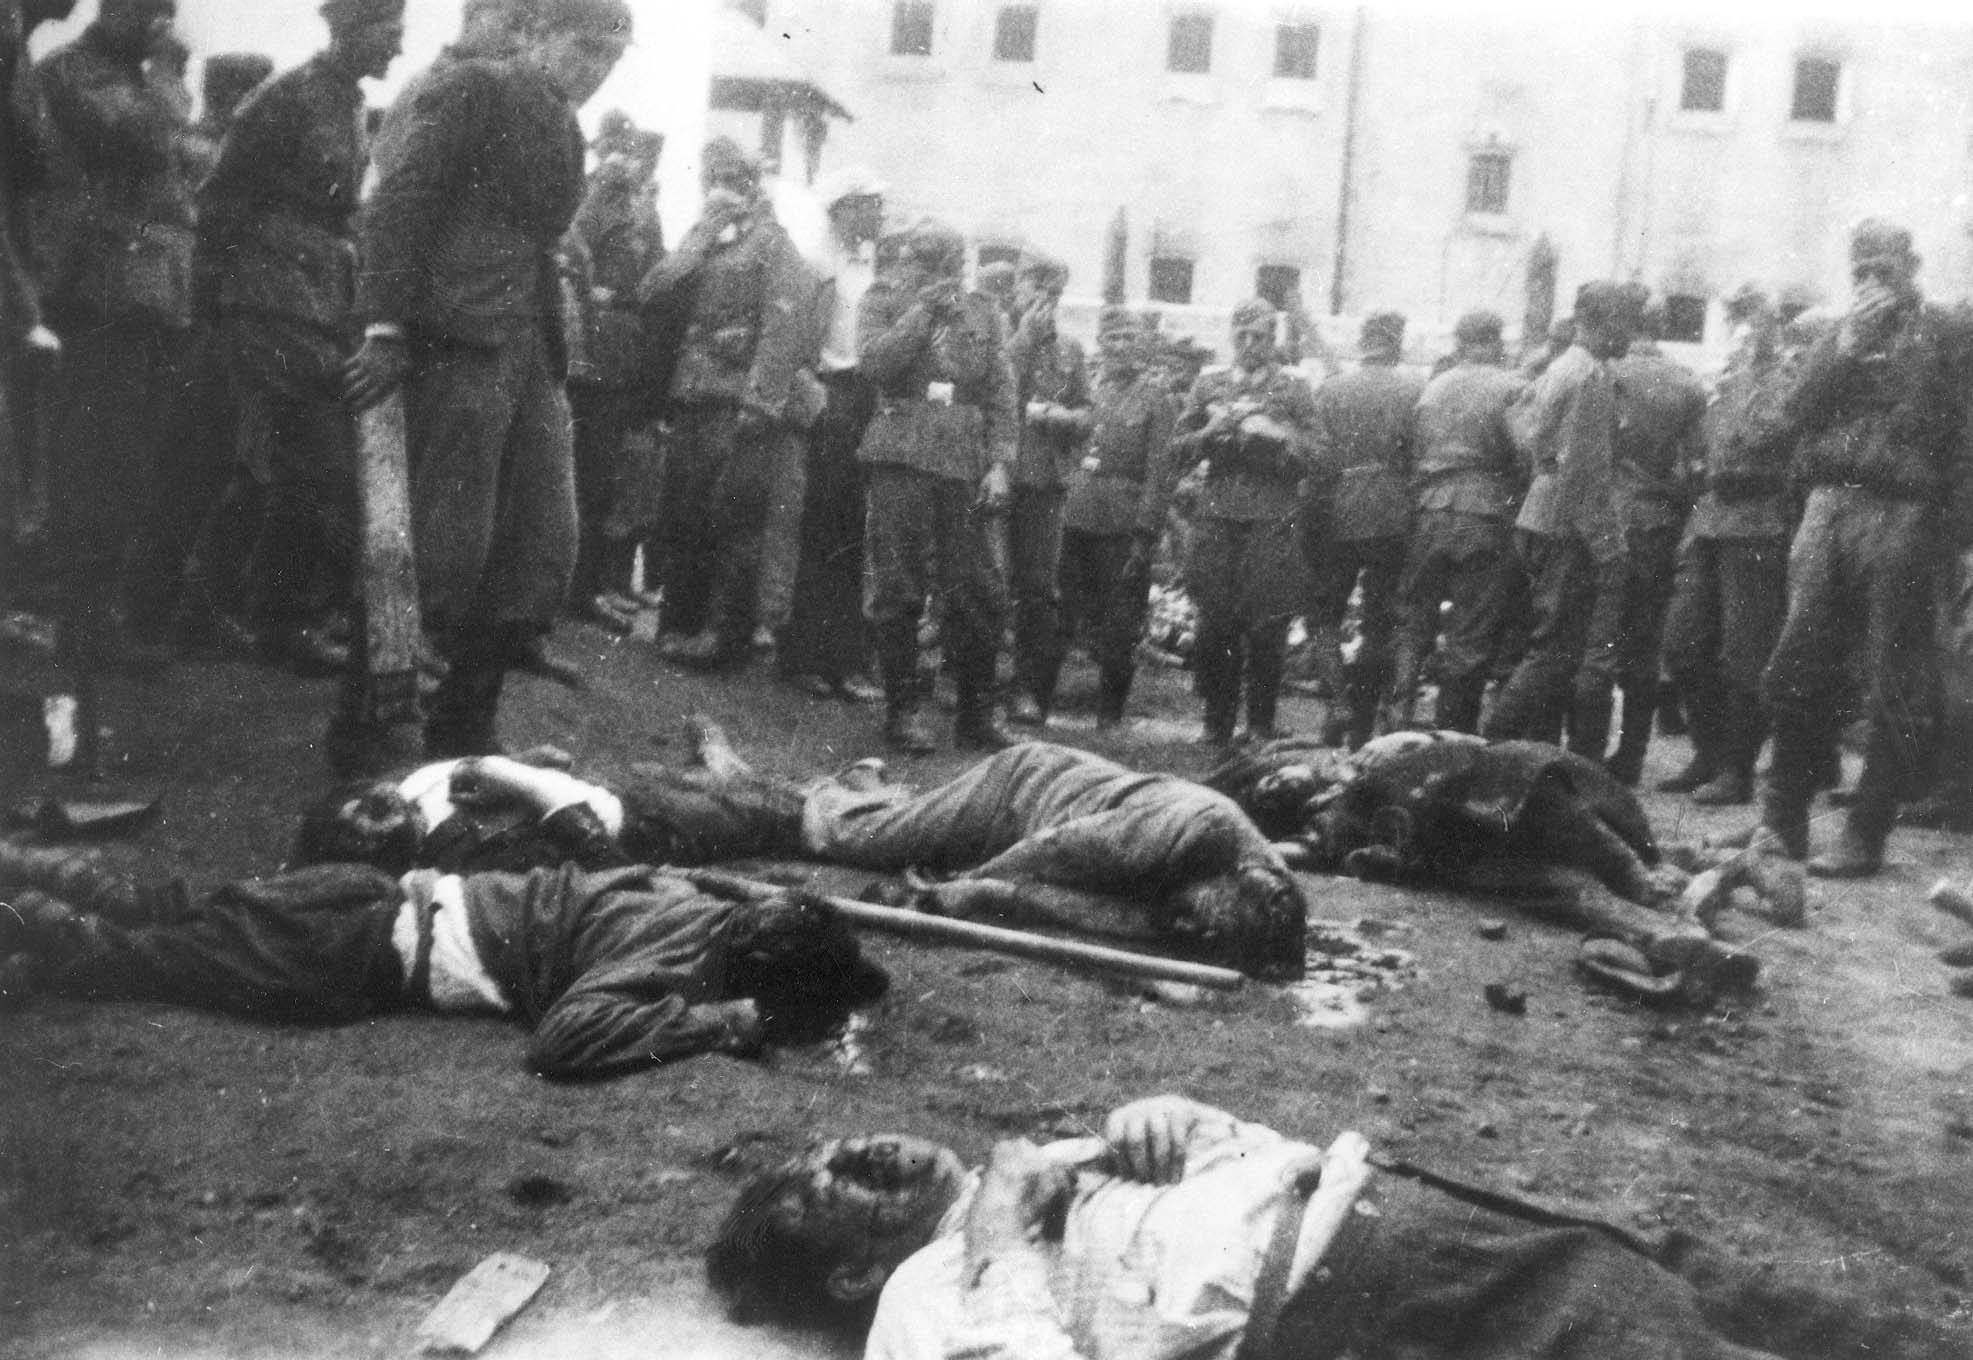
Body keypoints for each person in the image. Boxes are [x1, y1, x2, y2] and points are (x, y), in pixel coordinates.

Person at [707, 1093, 1796, 1359]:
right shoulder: (923, 1293)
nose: (842, 1152)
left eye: (821, 1150)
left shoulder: (1031, 1165)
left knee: (1728, 1294)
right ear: (850, 1275)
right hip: (1375, 1294)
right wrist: (997, 1228)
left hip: (1408, 1205)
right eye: (817, 1192)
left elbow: (1239, 1157)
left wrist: (1185, 1119)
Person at [296, 725, 1307, 981]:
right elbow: (1054, 850)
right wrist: (963, 889)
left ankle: (850, 789)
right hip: (1024, 790)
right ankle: (834, 794)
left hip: (1052, 798)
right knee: (854, 838)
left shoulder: (1255, 878)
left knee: (890, 821)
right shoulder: (1175, 835)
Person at [344, 0, 631, 759]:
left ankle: (466, 720)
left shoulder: (558, 117)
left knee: (538, 543)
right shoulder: (474, 87)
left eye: (610, 59)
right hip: (458, 329)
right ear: (538, 34)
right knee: (438, 542)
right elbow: (401, 200)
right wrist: (384, 325)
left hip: (528, 336)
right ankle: (373, 727)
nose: (594, 69)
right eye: (583, 48)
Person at [0, 839, 889, 1079]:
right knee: (122, 955)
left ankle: (22, 860)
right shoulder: (676, 952)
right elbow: (563, 1038)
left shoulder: (690, 897)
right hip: (353, 951)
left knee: (163, 907)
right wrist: (714, 1022)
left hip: (365, 892)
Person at [195, 0, 408, 770]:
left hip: (319, 296)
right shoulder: (284, 100)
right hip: (269, 295)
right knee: (319, 465)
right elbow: (218, 200)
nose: (399, 45)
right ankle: (273, 612)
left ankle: (269, 612)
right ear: (350, 30)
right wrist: (216, 305)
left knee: (300, 470)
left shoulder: (350, 103)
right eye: (389, 31)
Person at [1739, 220, 1972, 877]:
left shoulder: (1949, 333)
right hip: (1827, 505)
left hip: (1904, 511)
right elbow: (1787, 417)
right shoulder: (1829, 334)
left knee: (1893, 680)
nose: (1871, 279)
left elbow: (1964, 436)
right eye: (1860, 268)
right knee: (1795, 665)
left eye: (1884, 266)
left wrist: (1955, 534)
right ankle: (1779, 825)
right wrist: (1842, 347)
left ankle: (1863, 834)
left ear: (1912, 263)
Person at [32, 0, 194, 674]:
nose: (163, 19)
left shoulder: (139, 74)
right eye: (151, 7)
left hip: (150, 297)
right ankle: (85, 631)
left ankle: (100, 623)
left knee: (133, 465)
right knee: (97, 467)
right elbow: (145, 138)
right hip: (99, 296)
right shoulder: (72, 71)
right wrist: (165, 74)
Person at [638, 136, 808, 670]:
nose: (720, 187)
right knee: (684, 511)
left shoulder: (773, 244)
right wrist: (702, 233)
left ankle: (723, 634)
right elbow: (654, 290)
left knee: (732, 520)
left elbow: (784, 326)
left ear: (751, 183)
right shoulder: (707, 236)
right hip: (691, 392)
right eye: (712, 176)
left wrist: (760, 401)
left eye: (731, 178)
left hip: (736, 400)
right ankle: (678, 622)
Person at [856, 219, 1019, 754]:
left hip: (963, 462)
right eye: (922, 262)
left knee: (976, 591)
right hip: (901, 452)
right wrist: (922, 311)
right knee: (898, 586)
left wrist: (999, 464)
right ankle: (902, 712)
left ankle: (975, 715)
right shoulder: (885, 299)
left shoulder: (984, 313)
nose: (935, 273)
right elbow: (874, 364)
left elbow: (999, 394)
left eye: (945, 264)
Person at [1659, 295, 1796, 807]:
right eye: (1737, 321)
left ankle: (1736, 770)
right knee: (1682, 644)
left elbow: (1780, 452)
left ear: (1771, 331)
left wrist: (1734, 472)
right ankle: (1708, 753)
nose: (1743, 334)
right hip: (1709, 524)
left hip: (1756, 527)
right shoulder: (1724, 385)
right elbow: (1702, 446)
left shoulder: (1785, 387)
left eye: (1753, 324)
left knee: (1744, 655)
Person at [1483, 283, 1627, 744]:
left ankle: (1526, 748)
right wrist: (1606, 547)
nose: (1630, 333)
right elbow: (1584, 473)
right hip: (1566, 523)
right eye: (1625, 322)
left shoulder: (1561, 365)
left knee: (1546, 645)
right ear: (1602, 322)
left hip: (1539, 513)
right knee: (1555, 650)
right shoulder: (1589, 376)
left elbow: (1521, 426)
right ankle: (1496, 740)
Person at [1174, 300, 1318, 745]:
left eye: (1260, 336)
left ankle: (1259, 725)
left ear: (1273, 339)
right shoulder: (1208, 384)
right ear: (1231, 337)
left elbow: (1320, 454)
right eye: (1243, 336)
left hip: (1272, 518)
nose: (1251, 345)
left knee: (1268, 623)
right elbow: (1175, 450)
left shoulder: (1294, 390)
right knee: (1216, 621)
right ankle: (1216, 725)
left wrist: (1278, 435)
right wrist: (1208, 433)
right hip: (1218, 516)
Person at [1575, 295, 1706, 783]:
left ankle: (1584, 756)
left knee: (1594, 640)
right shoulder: (1688, 384)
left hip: (1603, 519)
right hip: (1657, 522)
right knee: (1643, 647)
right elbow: (1696, 465)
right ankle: (1631, 757)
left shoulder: (1604, 373)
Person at [1383, 310, 1527, 734]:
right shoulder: (1514, 387)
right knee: (1471, 633)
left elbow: (1409, 451)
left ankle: (1397, 719)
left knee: (1414, 621)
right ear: (1496, 342)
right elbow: (1527, 455)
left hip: (1429, 511)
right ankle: (1453, 735)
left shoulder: (1433, 388)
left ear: (1459, 343)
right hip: (1486, 515)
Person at [778, 166, 886, 704]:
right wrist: (814, 399)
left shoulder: (877, 265)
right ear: (844, 209)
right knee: (824, 528)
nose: (881, 215)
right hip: (833, 397)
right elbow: (794, 339)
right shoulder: (817, 262)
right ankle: (803, 657)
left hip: (871, 401)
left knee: (858, 534)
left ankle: (846, 660)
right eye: (871, 203)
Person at [1302, 310, 1426, 748]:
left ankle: (1338, 705)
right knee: (1390, 616)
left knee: (1324, 616)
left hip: (1340, 510)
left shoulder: (1332, 390)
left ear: (1363, 341)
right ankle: (1395, 713)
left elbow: (1316, 460)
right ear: (1397, 342)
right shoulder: (1416, 389)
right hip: (1396, 511)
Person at [566, 110, 665, 634]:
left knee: (610, 479)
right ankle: (576, 589)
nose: (622, 162)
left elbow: (658, 277)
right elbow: (572, 261)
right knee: (586, 475)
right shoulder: (588, 202)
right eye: (614, 151)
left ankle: (595, 585)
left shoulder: (642, 212)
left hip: (623, 357)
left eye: (630, 152)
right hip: (589, 358)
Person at [1056, 309, 1177, 728]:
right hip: (1075, 513)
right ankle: (1041, 702)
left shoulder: (1157, 399)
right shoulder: (1086, 389)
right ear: (1100, 343)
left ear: (1140, 345)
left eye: (1128, 338)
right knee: (1060, 609)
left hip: (1122, 521)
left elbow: (1160, 472)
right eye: (1112, 338)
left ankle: (1109, 714)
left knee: (1120, 621)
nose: (1120, 346)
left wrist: (1145, 533)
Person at [1003, 253, 1093, 727]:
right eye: (1037, 291)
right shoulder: (997, 334)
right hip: (995, 473)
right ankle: (963, 680)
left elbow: (1087, 413)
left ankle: (1027, 690)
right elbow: (990, 383)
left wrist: (1067, 419)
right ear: (1017, 289)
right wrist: (1023, 340)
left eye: (1055, 295)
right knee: (983, 580)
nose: (1046, 303)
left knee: (1038, 588)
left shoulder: (1070, 350)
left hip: (1043, 479)